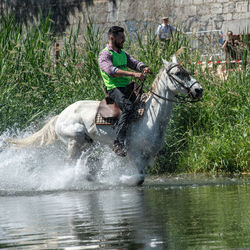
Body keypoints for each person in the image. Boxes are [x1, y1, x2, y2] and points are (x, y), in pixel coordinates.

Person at [98, 26, 152, 157]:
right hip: (113, 88)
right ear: (112, 38)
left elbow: (133, 62)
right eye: (121, 38)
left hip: (127, 86)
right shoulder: (105, 54)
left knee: (145, 101)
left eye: (124, 37)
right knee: (128, 107)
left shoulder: (122, 53)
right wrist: (134, 74)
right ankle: (118, 143)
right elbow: (112, 71)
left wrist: (143, 67)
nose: (124, 40)